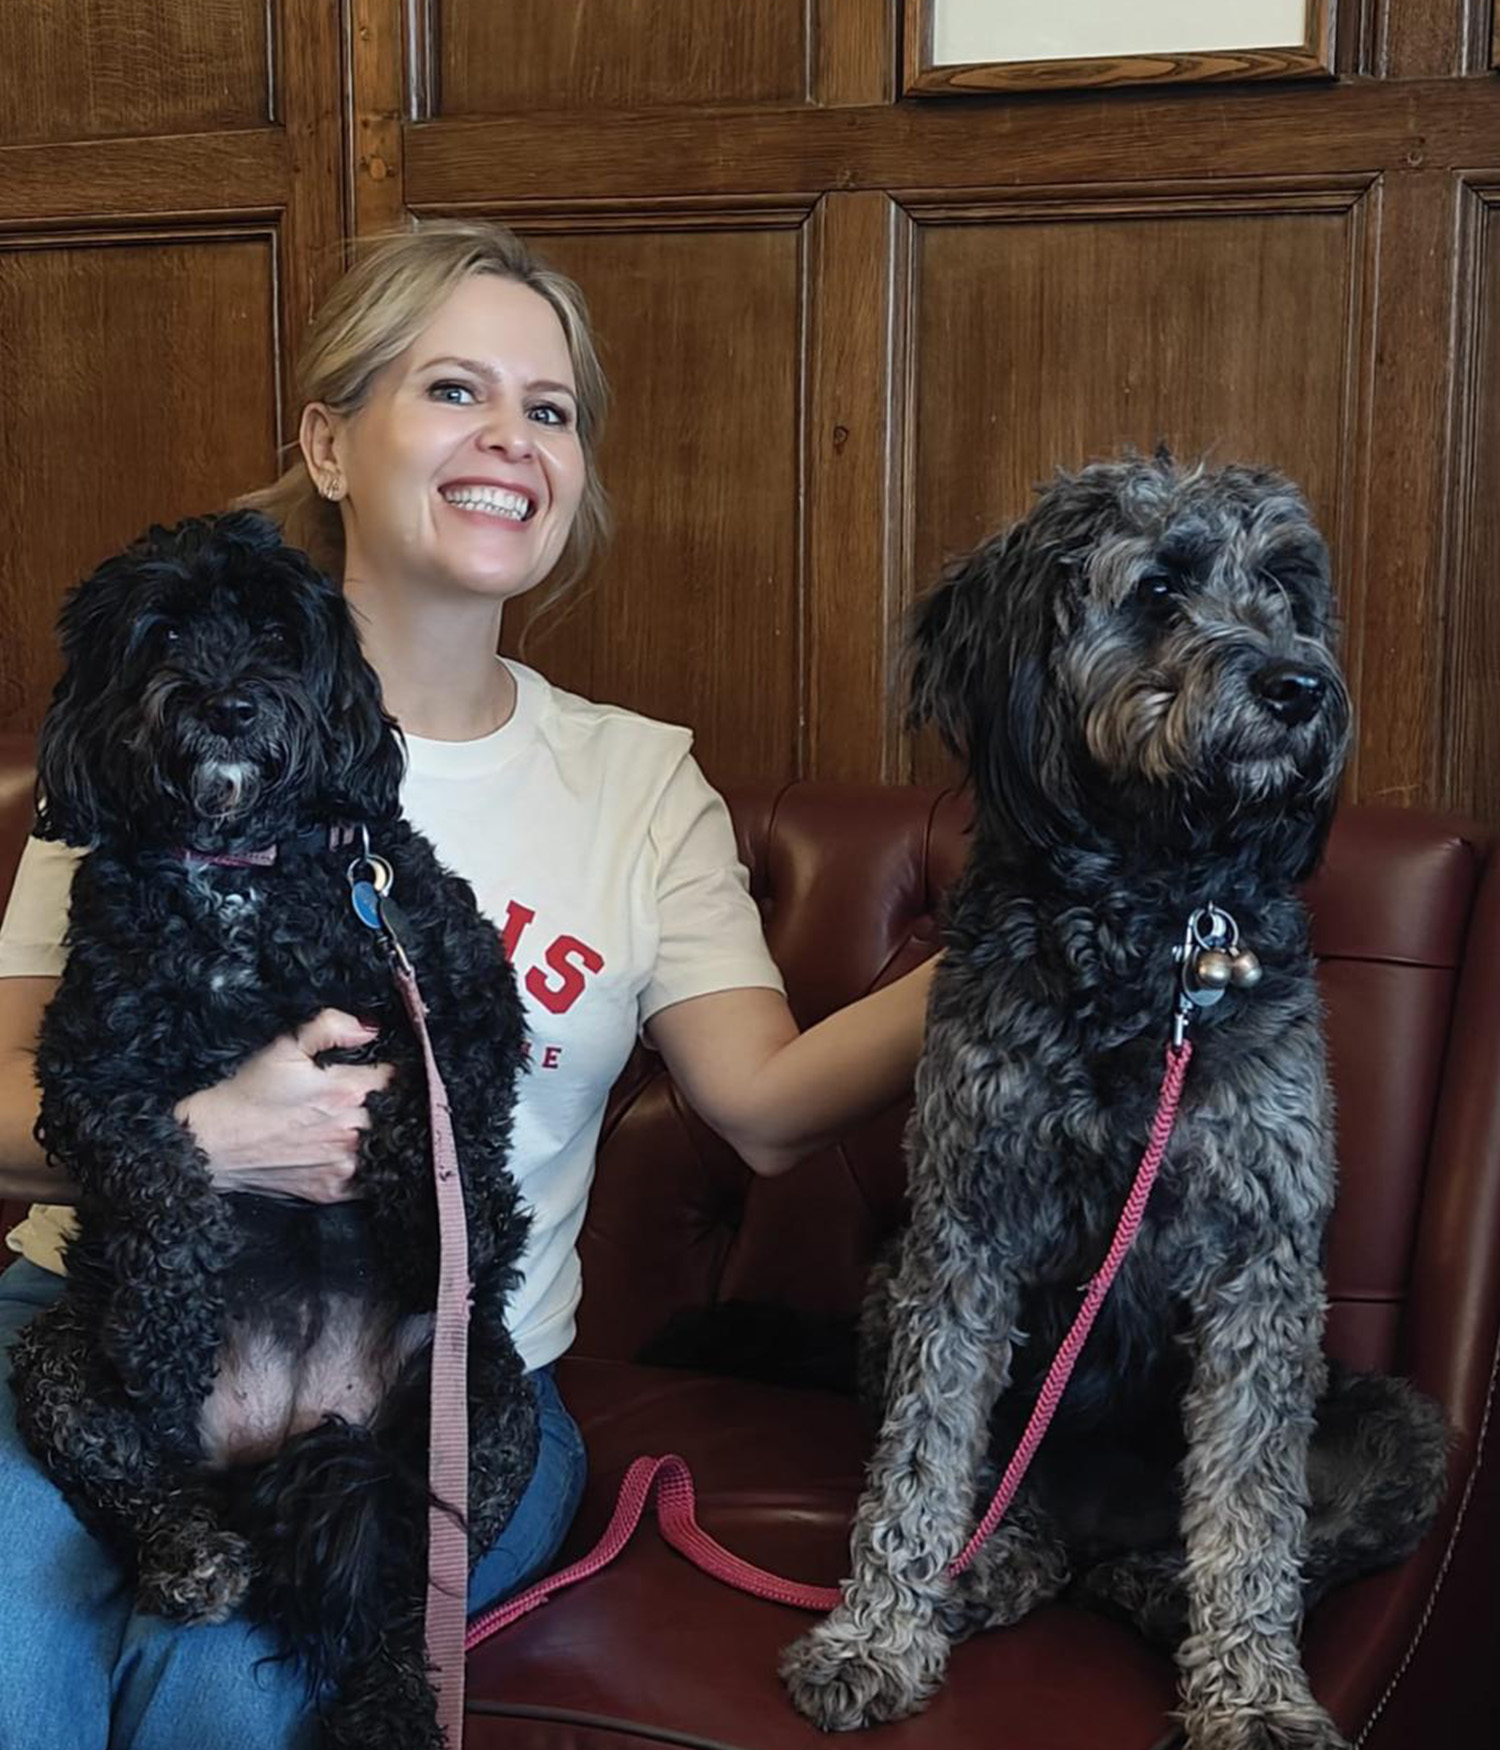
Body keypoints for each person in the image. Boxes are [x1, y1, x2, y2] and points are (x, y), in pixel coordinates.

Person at [0, 220, 937, 1749]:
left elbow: (768, 1112)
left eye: (549, 409)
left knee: (234, 1693)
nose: (510, 437)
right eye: (453, 389)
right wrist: (203, 1141)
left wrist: (1020, 939)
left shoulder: (638, 787)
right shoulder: (148, 730)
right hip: (97, 1318)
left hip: (424, 1375)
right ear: (327, 437)